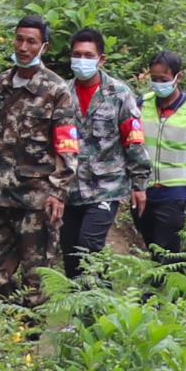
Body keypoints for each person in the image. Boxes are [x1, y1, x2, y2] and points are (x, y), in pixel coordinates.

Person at [0, 16, 79, 301]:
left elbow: (67, 145)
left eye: (31, 41)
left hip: (37, 200)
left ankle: (30, 340)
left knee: (37, 276)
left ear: (43, 46)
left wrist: (58, 192)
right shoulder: (1, 84)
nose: (23, 47)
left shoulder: (56, 91)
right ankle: (3, 334)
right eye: (19, 39)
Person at [58, 28, 147, 276]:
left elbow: (134, 139)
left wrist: (139, 185)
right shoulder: (62, 95)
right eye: (77, 55)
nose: (82, 60)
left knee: (90, 245)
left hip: (106, 187)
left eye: (89, 55)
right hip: (71, 189)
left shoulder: (119, 95)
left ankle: (99, 303)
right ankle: (85, 308)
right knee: (71, 253)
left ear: (101, 59)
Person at [134, 48, 186, 257]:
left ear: (178, 77)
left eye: (163, 78)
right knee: (150, 244)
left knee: (166, 247)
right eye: (154, 78)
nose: (159, 83)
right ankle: (175, 281)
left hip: (174, 191)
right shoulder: (142, 104)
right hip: (143, 188)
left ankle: (156, 289)